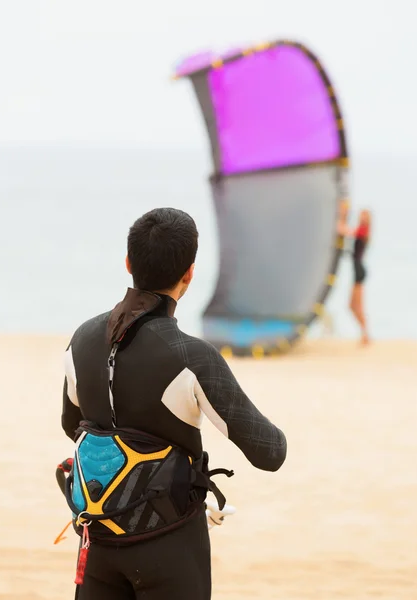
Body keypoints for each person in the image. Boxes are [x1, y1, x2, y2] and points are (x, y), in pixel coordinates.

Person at [61, 207, 287, 600]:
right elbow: (270, 452)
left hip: (98, 535)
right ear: (190, 273)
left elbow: (72, 425)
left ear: (129, 263)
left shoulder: (82, 339)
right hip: (169, 543)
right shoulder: (192, 356)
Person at [337, 208, 371, 345]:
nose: (361, 218)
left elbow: (346, 230)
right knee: (352, 305)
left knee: (356, 306)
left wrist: (341, 219)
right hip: (357, 270)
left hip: (359, 271)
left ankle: (365, 333)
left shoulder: (363, 230)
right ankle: (364, 333)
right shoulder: (362, 230)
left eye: (363, 216)